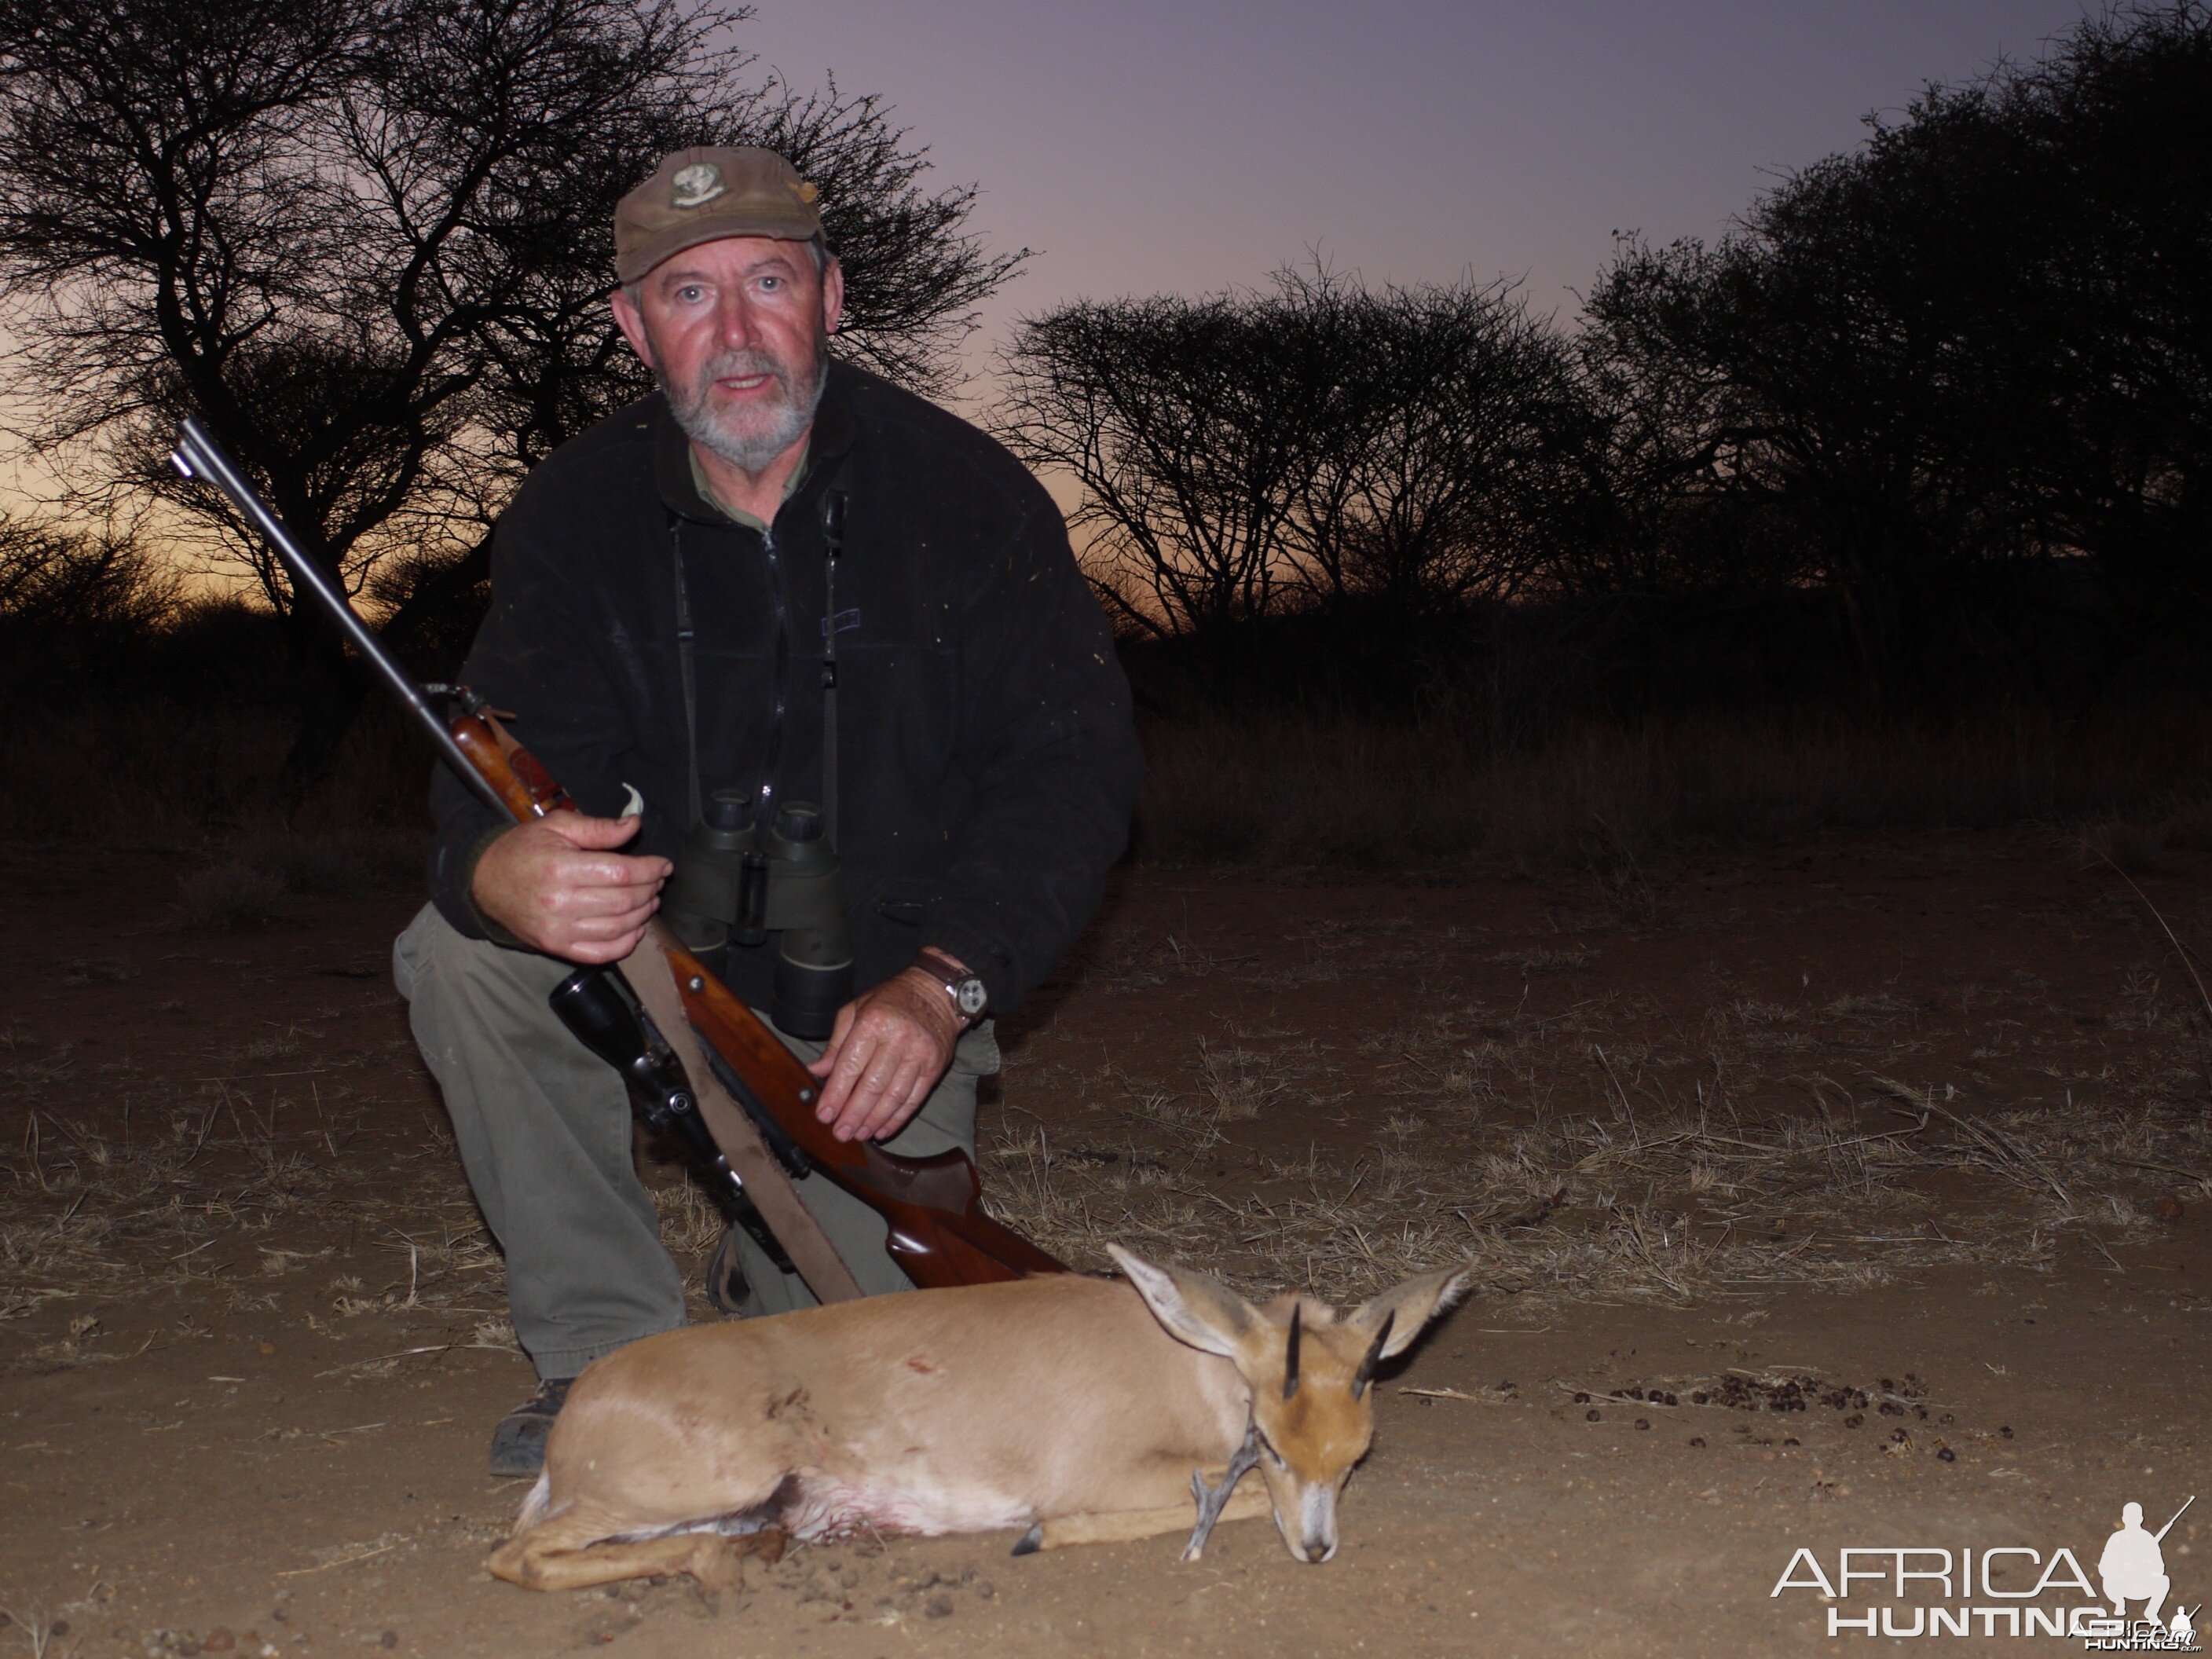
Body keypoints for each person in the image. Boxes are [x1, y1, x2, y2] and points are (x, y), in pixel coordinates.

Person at [391, 146, 1142, 1476]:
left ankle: (765, 1270)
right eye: (688, 294)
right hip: (665, 969)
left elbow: (1069, 773)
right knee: (460, 953)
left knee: (860, 1391)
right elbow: (502, 775)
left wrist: (943, 985)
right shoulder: (572, 511)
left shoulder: (969, 496)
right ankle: (599, 1357)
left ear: (832, 297)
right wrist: (500, 872)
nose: (735, 334)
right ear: (633, 326)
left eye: (768, 283)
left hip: (878, 1014)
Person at [2098, 1502, 2173, 1627]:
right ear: (2124, 1519)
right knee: (2108, 1580)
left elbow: (2160, 1569)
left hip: (2142, 1586)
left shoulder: (2148, 1539)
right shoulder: (2116, 1538)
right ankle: (2119, 1603)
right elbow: (2103, 1568)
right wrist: (2121, 1568)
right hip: (2120, 1586)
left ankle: (2151, 1612)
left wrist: (2143, 1565)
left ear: (2141, 1519)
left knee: (2164, 1581)